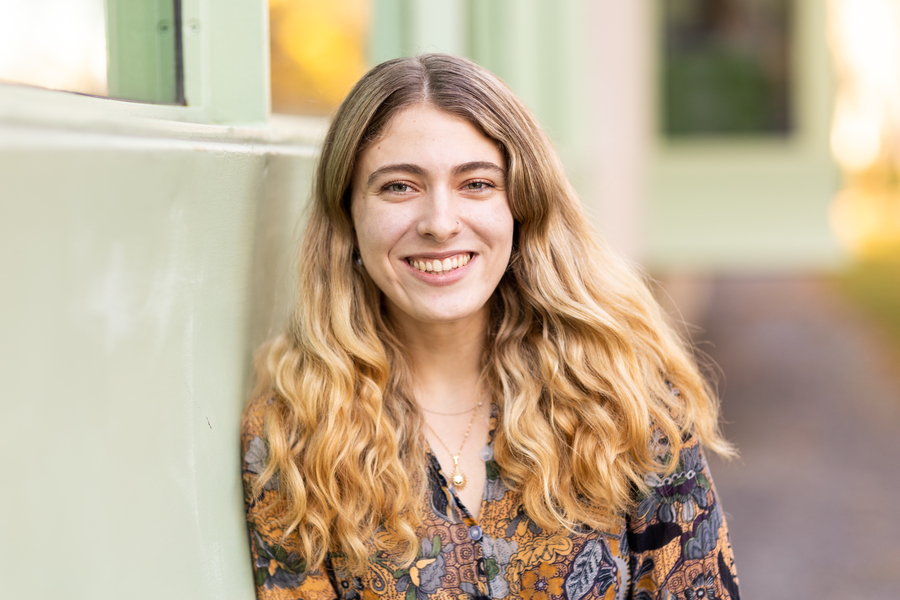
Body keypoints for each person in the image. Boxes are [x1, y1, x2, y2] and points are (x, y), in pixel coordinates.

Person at [241, 53, 740, 600]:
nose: (439, 223)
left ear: (521, 208)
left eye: (476, 184)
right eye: (398, 187)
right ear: (347, 219)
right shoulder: (295, 437)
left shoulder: (627, 400)